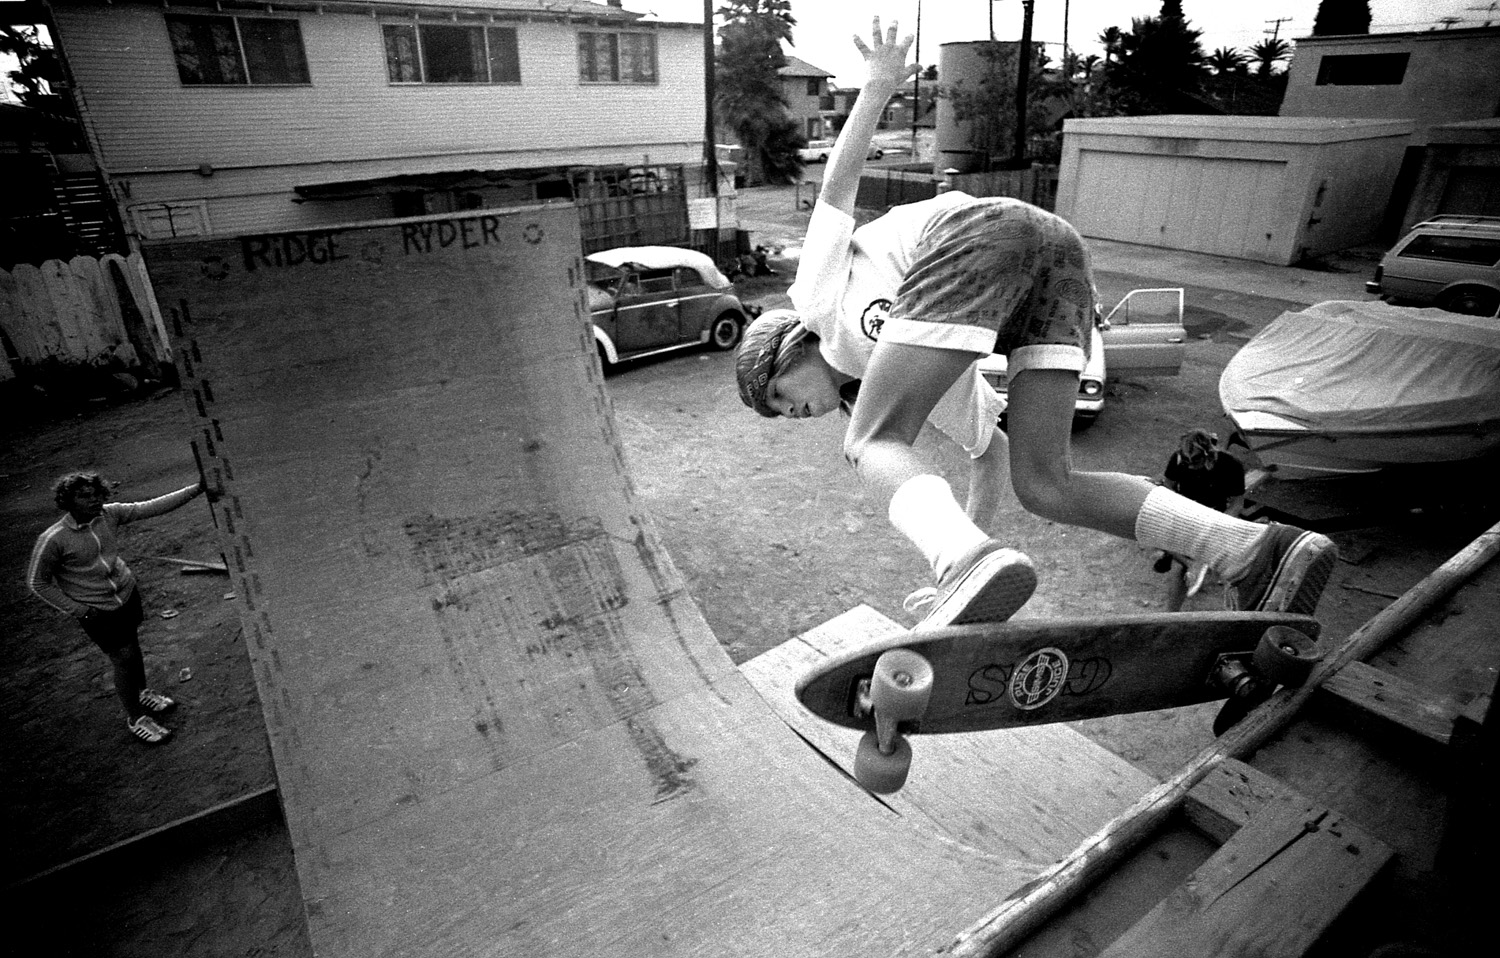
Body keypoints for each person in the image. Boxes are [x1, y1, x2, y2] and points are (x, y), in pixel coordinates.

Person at [734, 18, 1336, 629]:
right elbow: (988, 454)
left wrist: (878, 86)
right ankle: (1250, 551)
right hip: (1060, 261)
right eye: (780, 414)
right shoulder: (913, 366)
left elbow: (835, 191)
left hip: (980, 231)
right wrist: (971, 567)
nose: (790, 413)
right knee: (1046, 484)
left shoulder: (814, 300)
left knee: (868, 443)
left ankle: (964, 561)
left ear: (789, 349)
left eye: (779, 395)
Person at [27, 472, 211, 744]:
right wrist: (78, 610)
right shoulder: (54, 539)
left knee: (133, 647)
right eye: (84, 496)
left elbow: (152, 506)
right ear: (68, 501)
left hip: (126, 595)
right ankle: (136, 718)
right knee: (123, 659)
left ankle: (143, 692)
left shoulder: (109, 514)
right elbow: (37, 582)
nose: (94, 501)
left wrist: (197, 489)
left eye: (96, 494)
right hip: (97, 610)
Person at [1153, 429, 1247, 611]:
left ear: (1208, 454)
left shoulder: (1231, 465)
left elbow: (1237, 504)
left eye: (1195, 460)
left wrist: (1218, 524)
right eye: (1185, 460)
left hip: (1215, 510)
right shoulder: (1178, 459)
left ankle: (1196, 567)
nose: (1189, 465)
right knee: (1160, 532)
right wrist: (1175, 510)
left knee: (1221, 552)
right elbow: (1169, 485)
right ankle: (1188, 567)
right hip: (1186, 507)